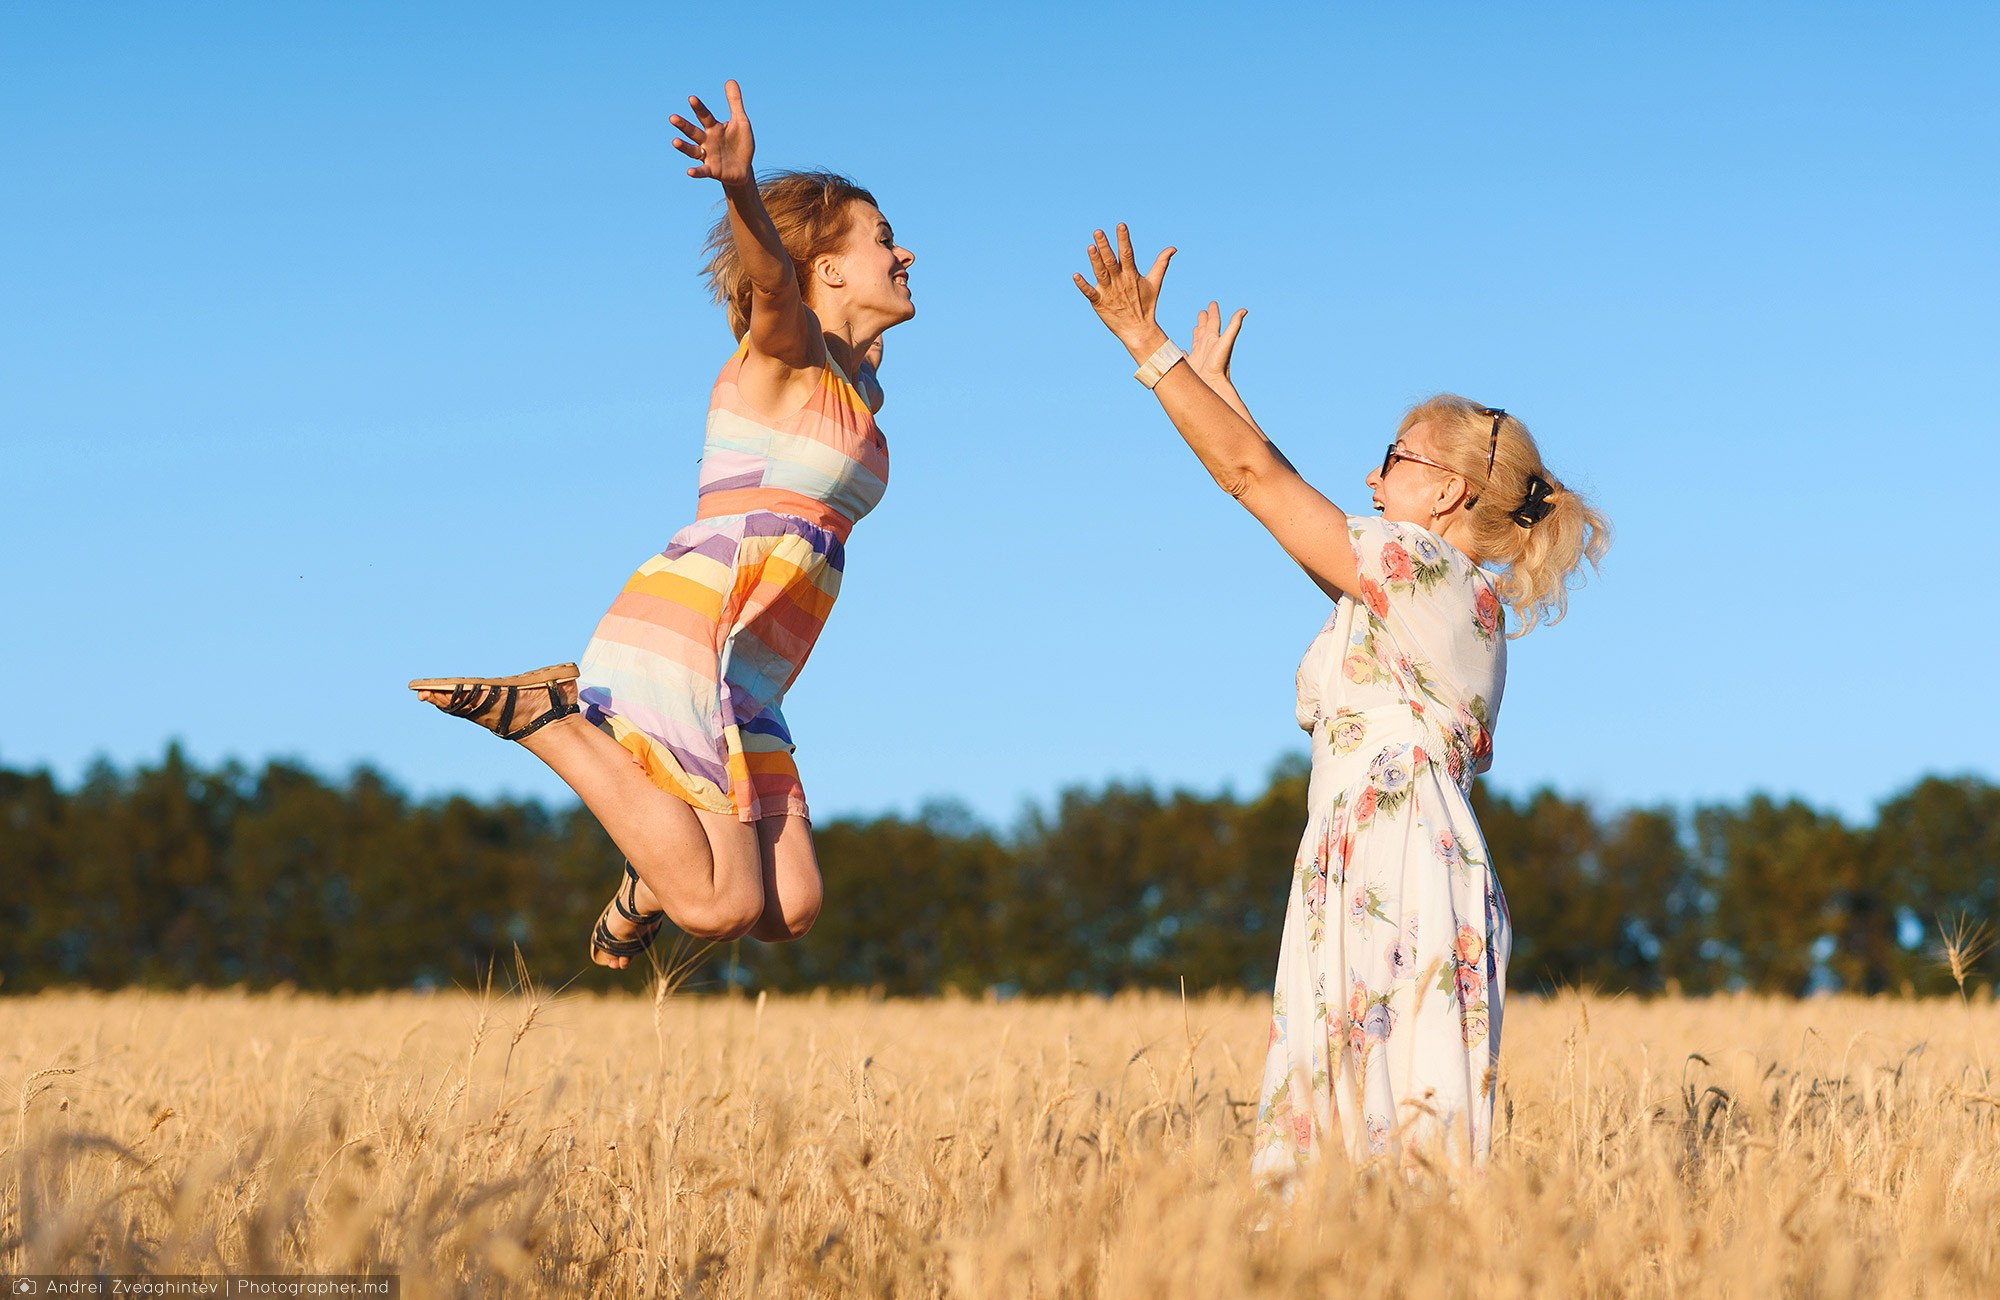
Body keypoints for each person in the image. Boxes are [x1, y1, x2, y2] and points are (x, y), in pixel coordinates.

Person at [1072, 225, 1608, 1170]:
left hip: (1393, 864)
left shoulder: (1420, 567)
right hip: (1372, 855)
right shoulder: (1426, 586)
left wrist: (1144, 346)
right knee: (1370, 1155)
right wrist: (1216, 389)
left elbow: (1260, 483)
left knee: (1382, 1157)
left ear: (1446, 490)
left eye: (1392, 457)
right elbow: (1279, 488)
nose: (1372, 475)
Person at [411, 81, 915, 968]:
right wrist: (741, 191)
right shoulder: (781, 353)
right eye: (883, 241)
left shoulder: (854, 385)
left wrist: (865, 342)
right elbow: (770, 285)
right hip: (694, 625)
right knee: (720, 905)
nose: (903, 251)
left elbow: (849, 356)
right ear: (825, 269)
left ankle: (648, 877)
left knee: (789, 907)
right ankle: (551, 717)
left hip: (754, 666)